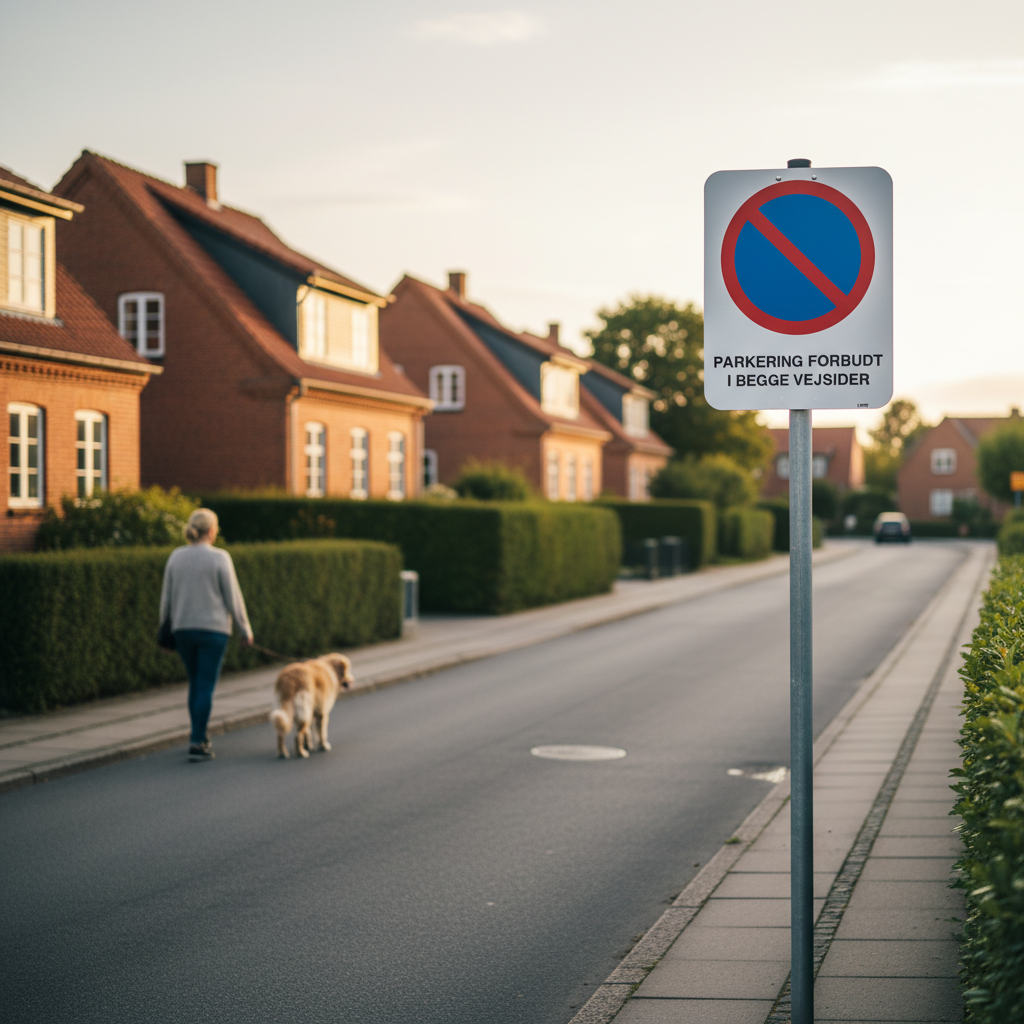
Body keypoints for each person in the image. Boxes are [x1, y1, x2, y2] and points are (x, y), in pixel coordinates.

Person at [159, 508, 253, 762]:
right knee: (205, 685)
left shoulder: (176, 557)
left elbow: (166, 599)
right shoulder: (220, 558)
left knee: (195, 683)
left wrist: (163, 633)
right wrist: (245, 630)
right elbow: (233, 598)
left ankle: (197, 734)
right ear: (212, 531)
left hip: (183, 630)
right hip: (214, 631)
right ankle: (198, 741)